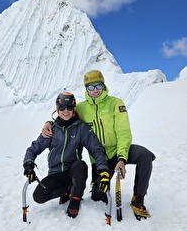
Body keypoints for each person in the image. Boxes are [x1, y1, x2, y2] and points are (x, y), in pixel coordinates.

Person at [42, 70, 156, 220]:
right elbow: (64, 115)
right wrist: (49, 123)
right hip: (100, 158)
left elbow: (123, 132)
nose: (95, 90)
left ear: (104, 86)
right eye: (91, 87)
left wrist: (122, 158)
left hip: (119, 150)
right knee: (98, 197)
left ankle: (138, 199)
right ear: (86, 88)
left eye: (98, 86)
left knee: (145, 155)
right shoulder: (81, 109)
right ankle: (95, 187)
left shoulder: (116, 104)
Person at [23, 92, 110, 218]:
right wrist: (28, 163)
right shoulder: (51, 129)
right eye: (62, 107)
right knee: (39, 196)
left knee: (81, 165)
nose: (66, 111)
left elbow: (96, 149)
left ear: (73, 109)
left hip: (73, 172)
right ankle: (68, 190)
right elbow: (33, 149)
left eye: (69, 107)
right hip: (55, 173)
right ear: (57, 110)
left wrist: (103, 169)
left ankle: (75, 199)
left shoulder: (81, 128)